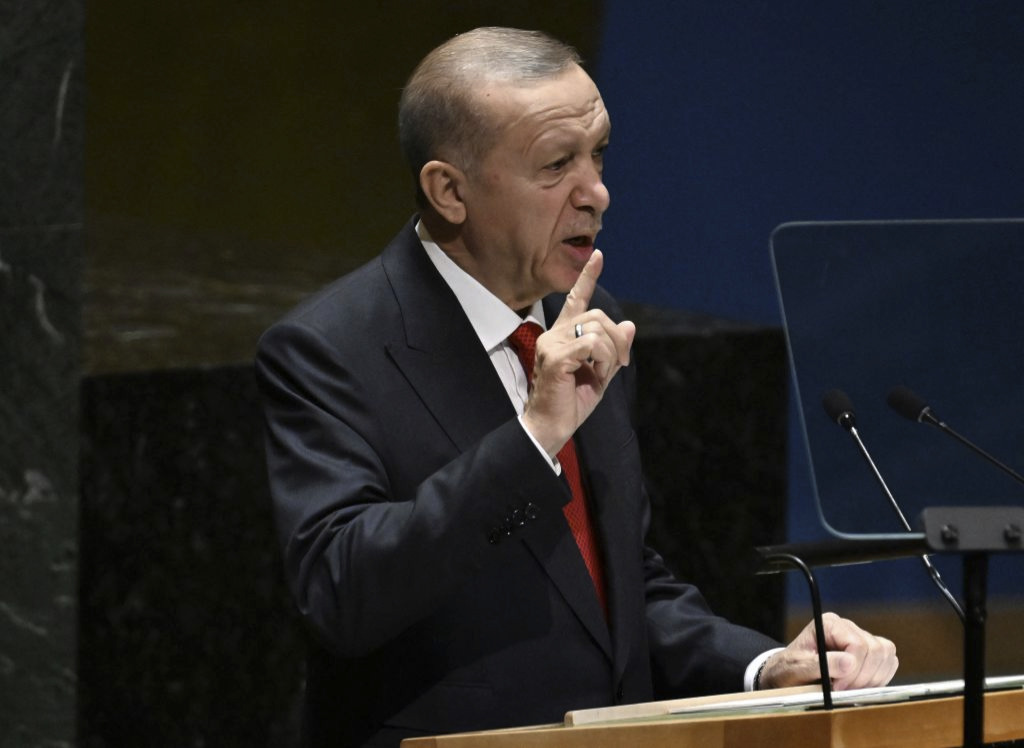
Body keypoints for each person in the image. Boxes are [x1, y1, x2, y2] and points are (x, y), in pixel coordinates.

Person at [255, 26, 898, 748]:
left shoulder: (589, 319)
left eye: (598, 155)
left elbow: (615, 587)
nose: (597, 193)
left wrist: (763, 666)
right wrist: (534, 438)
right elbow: (342, 595)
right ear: (450, 191)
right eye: (557, 164)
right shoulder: (330, 349)